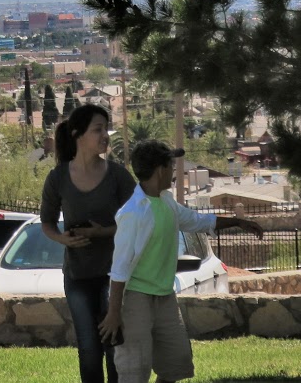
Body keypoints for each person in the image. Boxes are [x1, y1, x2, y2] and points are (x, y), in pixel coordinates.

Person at [99, 140, 264, 383]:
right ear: (160, 170)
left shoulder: (166, 202)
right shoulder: (133, 212)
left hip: (165, 296)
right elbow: (120, 268)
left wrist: (237, 222)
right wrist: (114, 313)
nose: (174, 170)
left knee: (177, 364)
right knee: (135, 372)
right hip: (135, 299)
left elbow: (197, 220)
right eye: (171, 165)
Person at [41, 103, 136, 383]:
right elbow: (46, 222)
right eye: (98, 130)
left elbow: (137, 221)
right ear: (77, 135)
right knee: (89, 350)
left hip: (113, 275)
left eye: (106, 129)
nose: (105, 135)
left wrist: (102, 232)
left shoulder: (118, 175)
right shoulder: (58, 177)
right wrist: (62, 239)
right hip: (77, 276)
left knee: (114, 347)